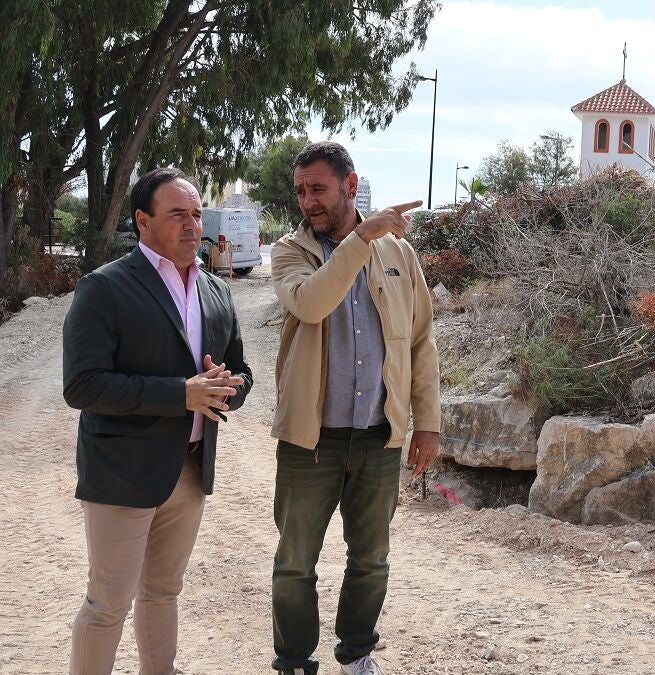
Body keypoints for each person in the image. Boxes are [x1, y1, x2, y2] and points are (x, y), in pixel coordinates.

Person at [63, 167, 253, 674]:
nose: (192, 225)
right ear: (143, 221)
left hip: (189, 470)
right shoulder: (103, 288)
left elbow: (241, 371)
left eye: (196, 214)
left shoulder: (216, 290)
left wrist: (227, 389)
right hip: (122, 472)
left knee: (164, 590)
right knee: (108, 602)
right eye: (177, 215)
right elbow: (83, 385)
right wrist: (181, 394)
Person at [270, 141, 441, 675]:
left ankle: (356, 653)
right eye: (301, 191)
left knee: (370, 559)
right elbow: (312, 303)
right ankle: (293, 660)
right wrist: (362, 238)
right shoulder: (291, 252)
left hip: (377, 438)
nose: (307, 201)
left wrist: (427, 423)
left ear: (350, 184)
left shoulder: (399, 254)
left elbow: (421, 341)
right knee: (295, 562)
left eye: (317, 188)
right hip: (310, 440)